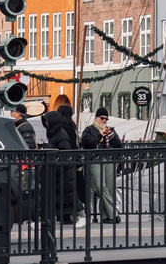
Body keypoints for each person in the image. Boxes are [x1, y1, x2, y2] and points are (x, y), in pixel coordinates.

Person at [80, 108, 124, 226]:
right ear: (96, 118)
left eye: (106, 119)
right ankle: (113, 213)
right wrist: (100, 135)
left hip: (109, 160)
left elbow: (119, 146)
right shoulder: (89, 130)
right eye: (102, 118)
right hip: (95, 160)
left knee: (109, 188)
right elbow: (86, 143)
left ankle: (106, 216)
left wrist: (112, 136)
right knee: (99, 187)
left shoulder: (111, 130)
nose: (104, 121)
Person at [43, 96, 82, 224]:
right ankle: (65, 215)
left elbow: (66, 148)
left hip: (63, 166)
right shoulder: (68, 128)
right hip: (67, 164)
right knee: (66, 190)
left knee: (66, 191)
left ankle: (71, 214)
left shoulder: (61, 131)